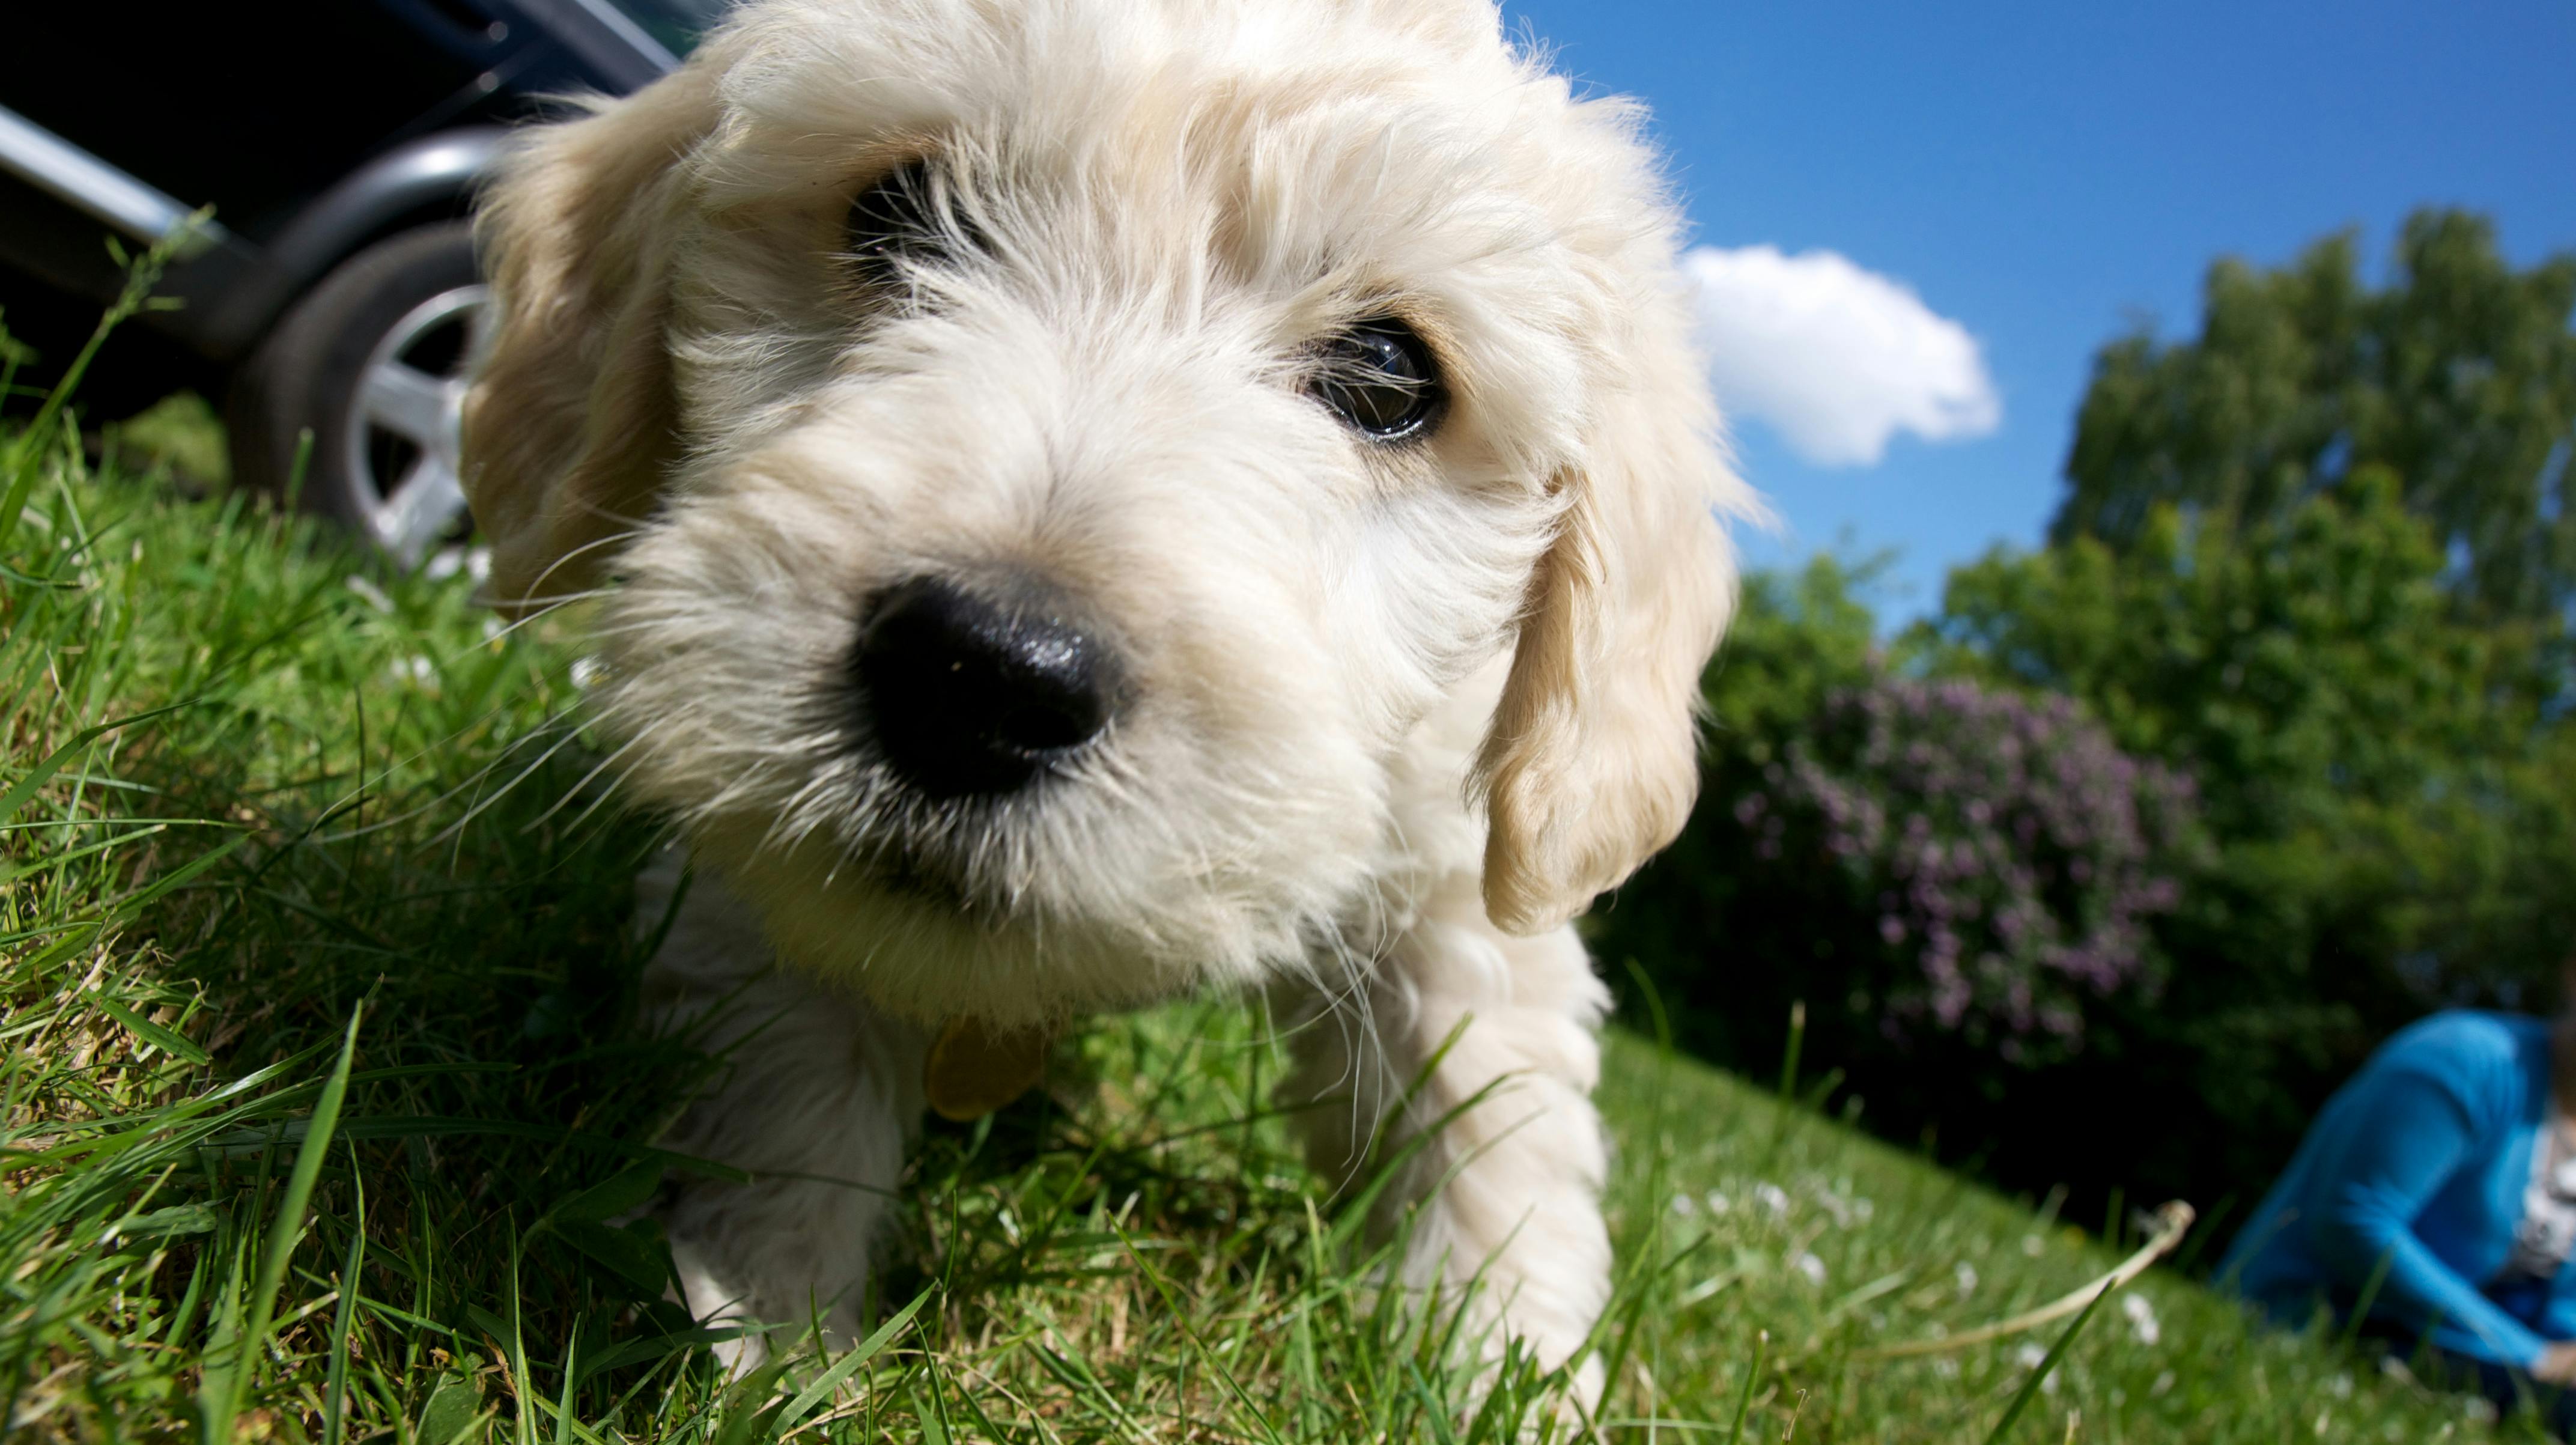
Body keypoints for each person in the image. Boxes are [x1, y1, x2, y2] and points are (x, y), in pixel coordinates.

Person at [2221, 1002, 2576, 1429]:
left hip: (2464, 1367)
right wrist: (2529, 1354)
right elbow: (2354, 1219)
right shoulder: (2469, 1058)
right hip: (2314, 1325)